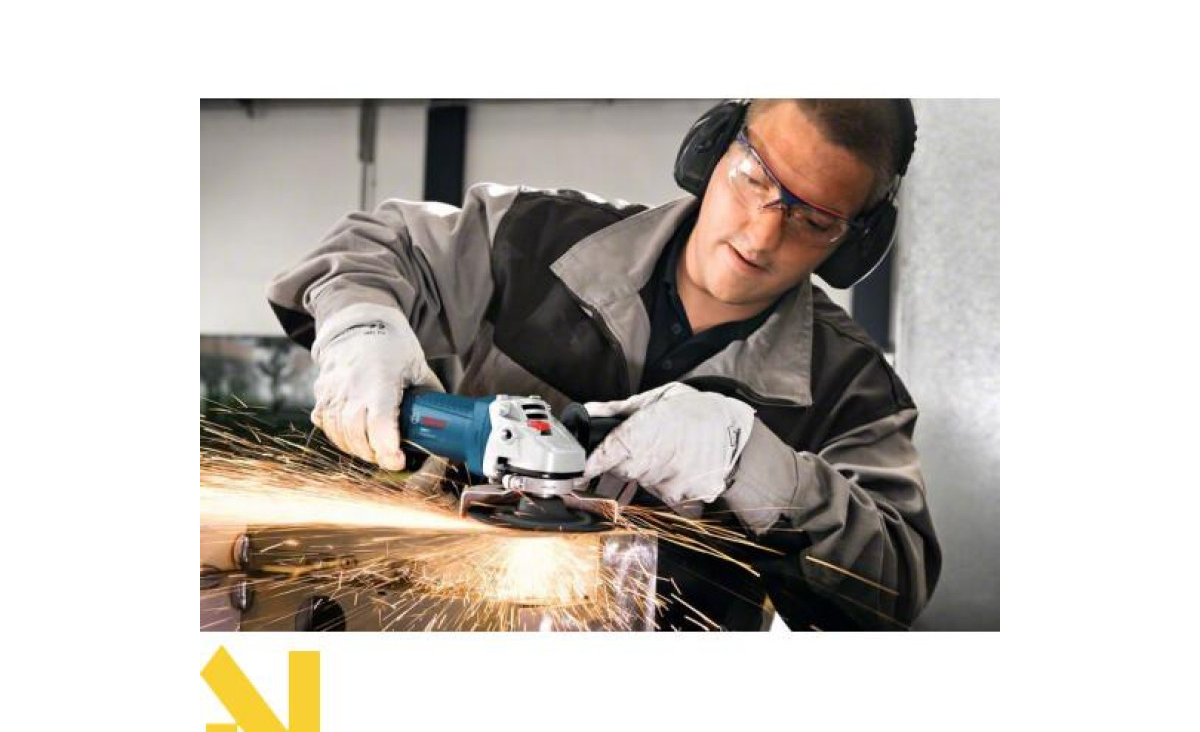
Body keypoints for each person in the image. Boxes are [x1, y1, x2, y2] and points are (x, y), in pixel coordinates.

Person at [267, 99, 941, 630]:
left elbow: (892, 586)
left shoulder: (852, 387)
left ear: (856, 243)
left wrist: (752, 465)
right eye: (755, 178)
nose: (761, 235)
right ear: (712, 148)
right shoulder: (533, 239)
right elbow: (379, 247)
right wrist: (362, 326)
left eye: (813, 221)